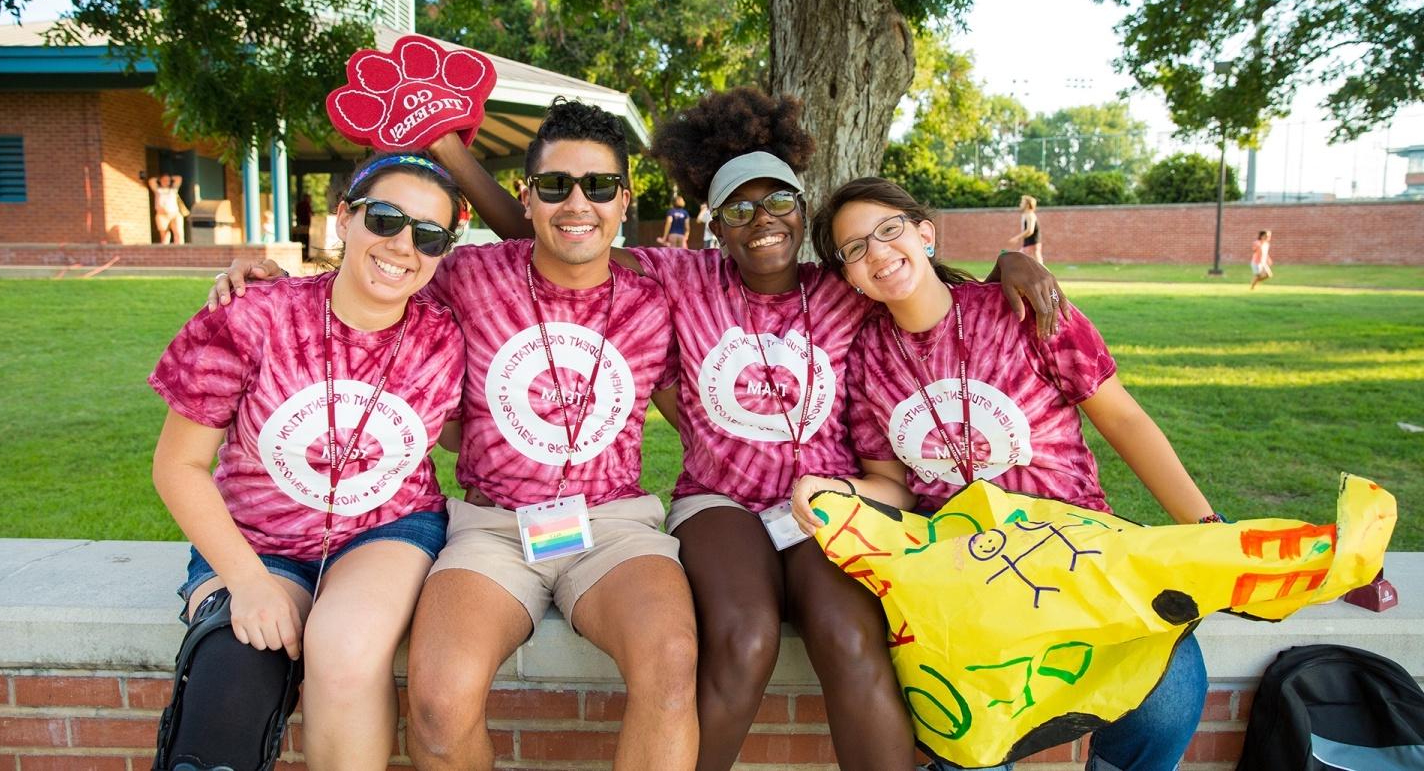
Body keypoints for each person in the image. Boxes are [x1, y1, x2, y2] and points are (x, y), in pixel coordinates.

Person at [426, 86, 1066, 771]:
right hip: (720, 500)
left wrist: (1009, 264)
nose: (761, 219)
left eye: (780, 201)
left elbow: (917, 281)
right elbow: (567, 234)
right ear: (714, 224)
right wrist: (450, 153)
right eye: (738, 208)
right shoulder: (686, 278)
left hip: (827, 501)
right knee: (746, 635)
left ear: (803, 208)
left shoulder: (840, 288)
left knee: (851, 638)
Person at [209, 98, 699, 771]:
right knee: (437, 705)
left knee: (672, 667)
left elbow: (713, 405)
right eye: (555, 185)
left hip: (613, 523)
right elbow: (370, 280)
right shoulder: (467, 276)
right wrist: (261, 283)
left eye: (599, 186)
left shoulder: (657, 295)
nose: (577, 203)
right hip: (493, 528)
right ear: (526, 197)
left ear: (624, 199)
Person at [797, 176, 1225, 771]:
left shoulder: (1021, 308)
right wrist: (836, 490)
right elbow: (892, 485)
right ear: (847, 273)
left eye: (889, 230)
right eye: (855, 248)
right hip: (966, 573)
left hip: (1078, 549)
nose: (878, 253)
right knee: (969, 743)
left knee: (1167, 697)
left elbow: (1122, 418)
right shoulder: (868, 357)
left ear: (925, 233)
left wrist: (1206, 526)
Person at [151, 152, 467, 770]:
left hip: (386, 528)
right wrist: (247, 582)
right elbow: (178, 466)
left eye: (429, 235)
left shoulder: (445, 334)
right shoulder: (253, 314)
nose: (403, 246)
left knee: (345, 650)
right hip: (256, 535)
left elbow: (466, 429)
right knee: (232, 670)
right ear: (345, 217)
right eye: (385, 219)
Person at [149, 174, 186, 244]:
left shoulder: (173, 189)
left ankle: (180, 251)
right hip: (162, 215)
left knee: (178, 233)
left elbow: (179, 178)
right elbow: (151, 181)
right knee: (165, 237)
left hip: (174, 214)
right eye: (164, 180)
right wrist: (160, 179)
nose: (166, 182)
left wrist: (170, 178)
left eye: (168, 180)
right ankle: (166, 253)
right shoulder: (158, 190)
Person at [1007, 193, 1042, 263]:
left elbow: (1030, 230)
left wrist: (1017, 237)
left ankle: (1045, 274)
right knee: (1036, 264)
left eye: (1022, 202)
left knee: (1018, 261)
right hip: (1029, 243)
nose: (1020, 204)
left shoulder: (1030, 215)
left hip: (1032, 243)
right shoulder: (1026, 215)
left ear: (1027, 205)